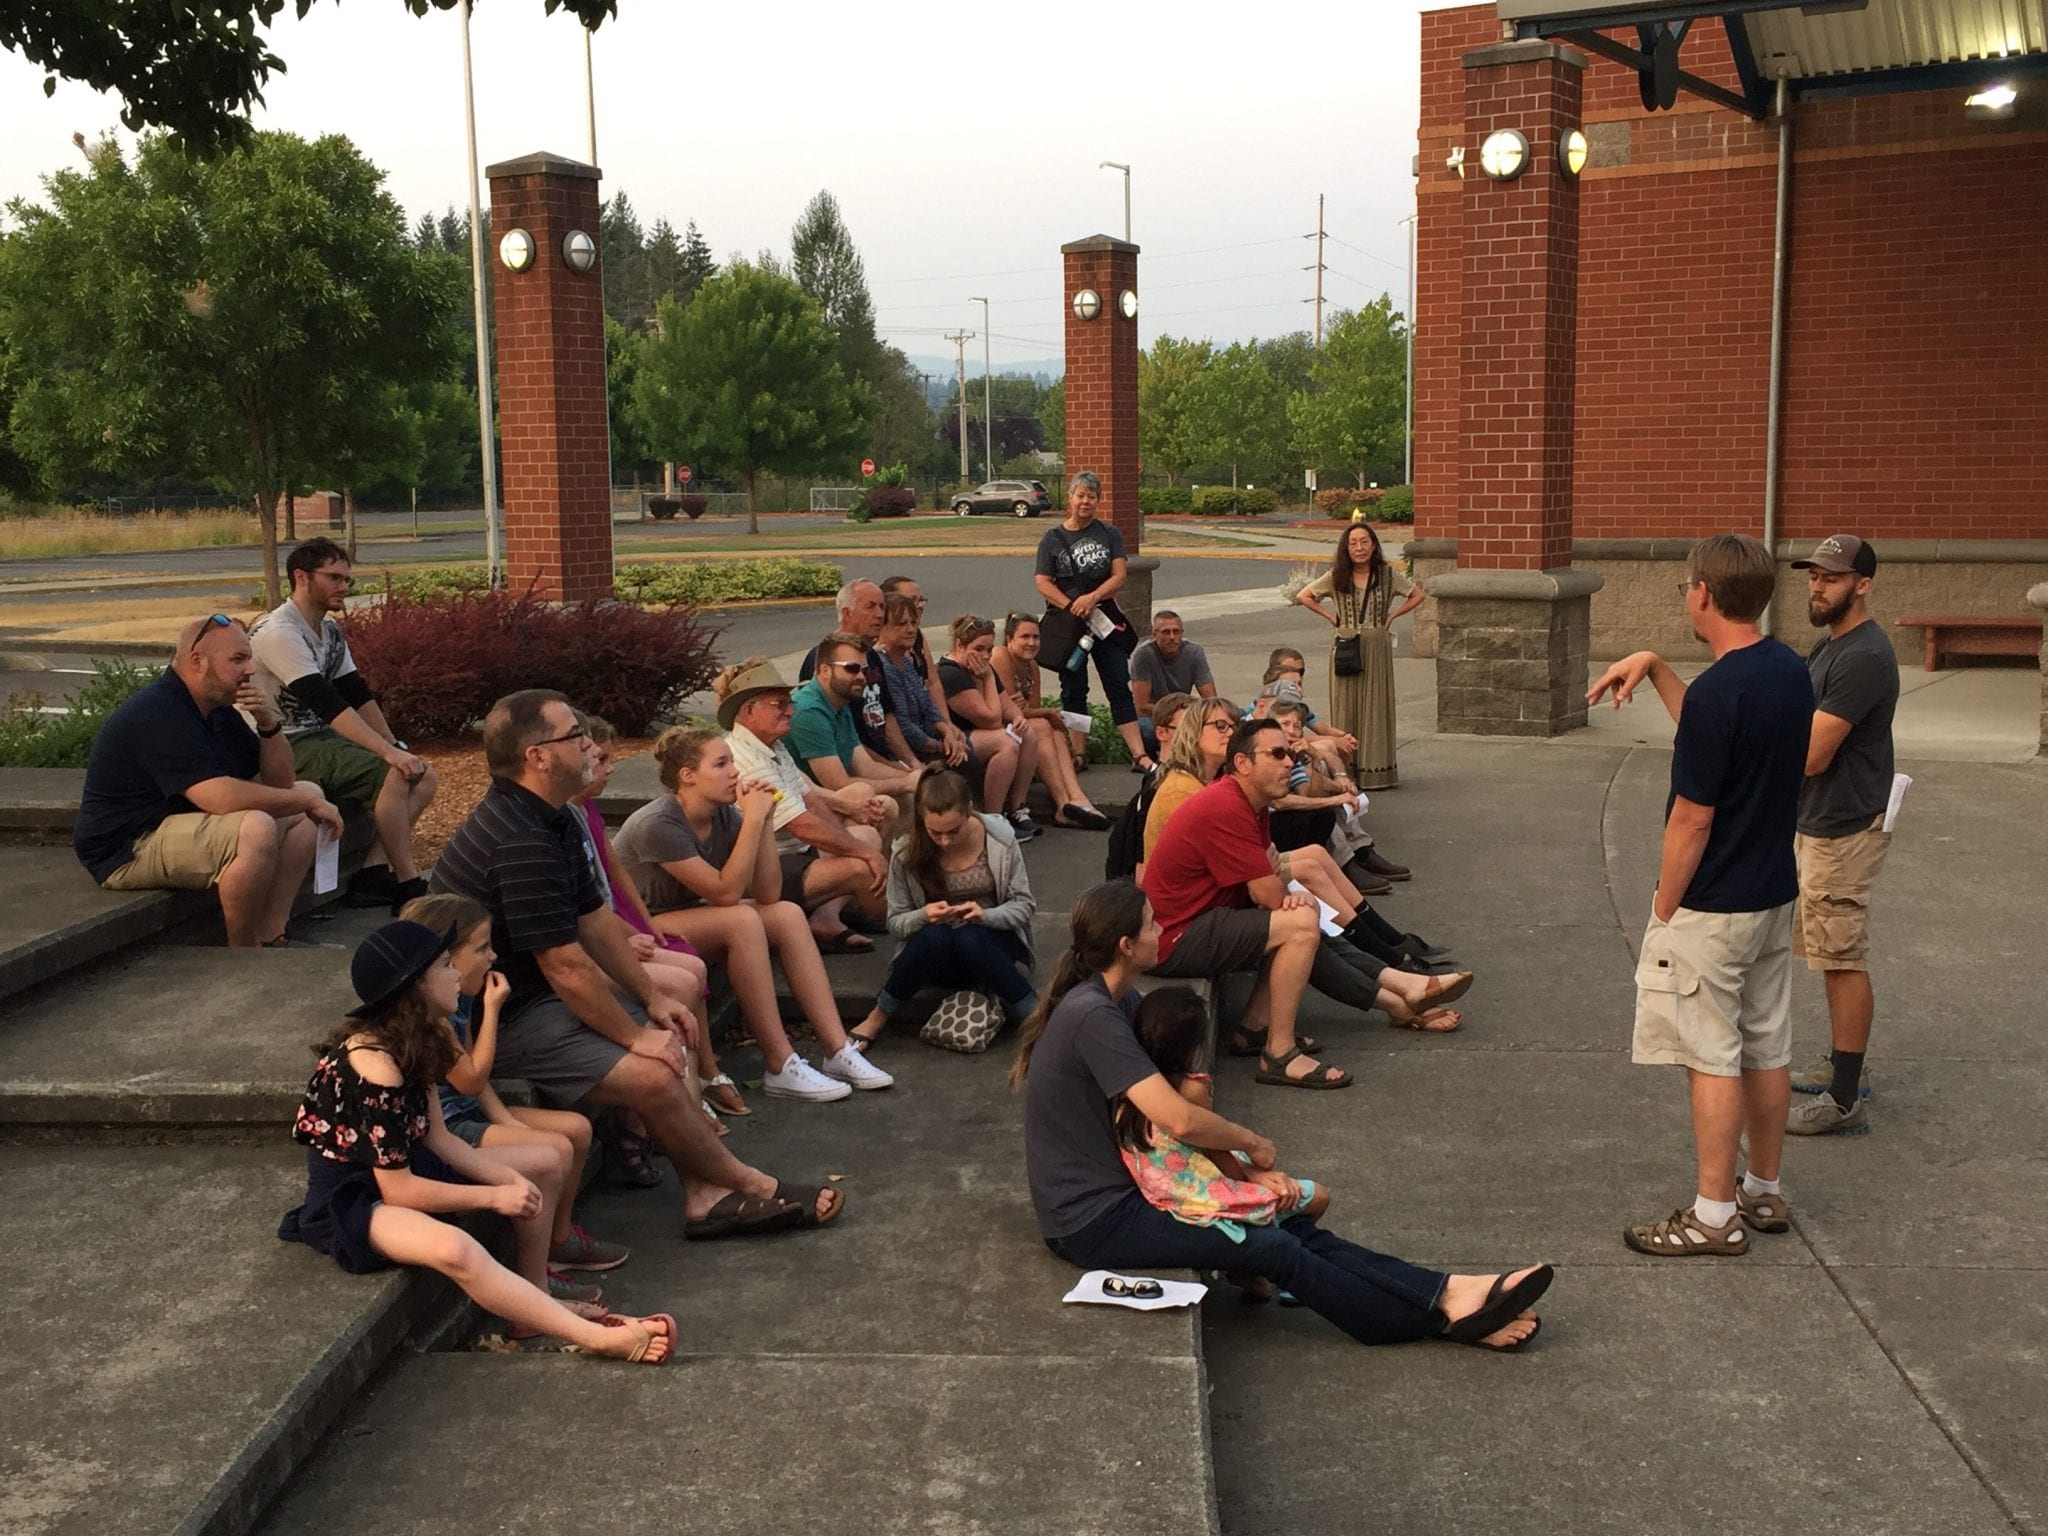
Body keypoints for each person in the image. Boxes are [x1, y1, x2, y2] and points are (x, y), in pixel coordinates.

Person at [1016, 881, 1550, 1351]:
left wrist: (1248, 1174)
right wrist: (1253, 1145)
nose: (1161, 929)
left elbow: (1179, 1118)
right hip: (1092, 1221)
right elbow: (1179, 1119)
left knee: (1287, 1224)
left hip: (1134, 1192)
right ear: (1125, 945)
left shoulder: (1116, 1001)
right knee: (1272, 1248)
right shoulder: (1093, 1016)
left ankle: (1449, 1289)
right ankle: (1433, 1319)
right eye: (1152, 924)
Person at [431, 689, 845, 1240]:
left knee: (670, 1019)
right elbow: (564, 966)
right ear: (538, 757)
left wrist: (651, 998)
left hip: (534, 996)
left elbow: (595, 921)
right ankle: (749, 1183)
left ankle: (705, 1195)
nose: (589, 745)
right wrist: (633, 1036)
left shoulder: (552, 816)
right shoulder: (519, 838)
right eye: (575, 736)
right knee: (654, 1066)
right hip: (494, 1017)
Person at [277, 918, 676, 1364]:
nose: (455, 974)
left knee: (543, 1165)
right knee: (456, 1248)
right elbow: (399, 1190)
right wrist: (492, 1197)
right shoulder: (376, 1069)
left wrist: (507, 1179)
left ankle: (535, 1299)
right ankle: (597, 1338)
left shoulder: (420, 1039)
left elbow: (440, 1138)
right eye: (445, 966)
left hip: (410, 1164)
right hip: (357, 1196)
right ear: (416, 987)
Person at [1587, 533, 1814, 1257]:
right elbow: (1721, 734)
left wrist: (1663, 908)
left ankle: (1714, 1216)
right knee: (1766, 1044)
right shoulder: (1788, 669)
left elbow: (1692, 817)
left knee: (1711, 1055)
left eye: (1687, 585)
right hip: (1772, 891)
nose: (1686, 596)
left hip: (1713, 904)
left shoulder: (1721, 693)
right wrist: (1657, 668)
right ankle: (1763, 1190)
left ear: (1705, 595)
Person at [1145, 715, 1470, 1081]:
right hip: (1172, 938)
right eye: (1277, 754)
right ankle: (1280, 1053)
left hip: (1205, 920)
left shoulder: (1251, 803)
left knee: (1303, 919)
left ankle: (1262, 1027)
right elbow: (1268, 893)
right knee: (1300, 923)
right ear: (1243, 763)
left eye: (1290, 754)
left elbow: (1269, 879)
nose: (1289, 762)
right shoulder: (1225, 805)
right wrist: (1280, 889)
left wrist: (1277, 886)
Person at [611, 726, 895, 1099]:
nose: (735, 772)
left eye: (732, 762)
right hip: (639, 927)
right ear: (688, 776)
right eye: (721, 764)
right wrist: (755, 820)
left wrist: (761, 822)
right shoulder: (659, 824)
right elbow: (725, 893)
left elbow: (767, 892)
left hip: (688, 914)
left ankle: (837, 1048)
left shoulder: (723, 815)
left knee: (786, 914)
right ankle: (780, 1063)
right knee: (742, 920)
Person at [398, 891, 629, 1301]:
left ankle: (559, 1239)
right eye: (481, 948)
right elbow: (471, 1078)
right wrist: (492, 1010)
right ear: (445, 958)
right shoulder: (433, 1018)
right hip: (450, 1129)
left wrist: (504, 1118)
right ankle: (533, 1276)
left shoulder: (459, 998)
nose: (493, 957)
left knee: (576, 1129)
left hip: (470, 1114)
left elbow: (478, 1083)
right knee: (554, 1152)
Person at [74, 614, 342, 947]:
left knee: (306, 795)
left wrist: (267, 723)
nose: (250, 670)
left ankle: (272, 933)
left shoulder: (216, 709)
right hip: (128, 848)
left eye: (248, 659)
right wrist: (308, 802)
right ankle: (244, 952)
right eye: (237, 660)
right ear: (197, 661)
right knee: (257, 828)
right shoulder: (159, 713)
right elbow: (219, 798)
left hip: (173, 823)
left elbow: (281, 783)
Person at [564, 717, 741, 1135]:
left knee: (691, 965)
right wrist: (626, 937)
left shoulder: (586, 810)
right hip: (595, 938)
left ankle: (703, 1076)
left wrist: (643, 924)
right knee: (685, 976)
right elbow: (580, 909)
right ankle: (690, 1100)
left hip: (620, 920)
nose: (608, 768)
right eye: (599, 759)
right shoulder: (570, 819)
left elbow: (615, 872)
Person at [248, 537, 438, 910]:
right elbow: (327, 703)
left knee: (424, 777)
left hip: (319, 737)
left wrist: (396, 747)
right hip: (280, 743)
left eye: (347, 579)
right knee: (394, 774)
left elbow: (356, 694)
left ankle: (372, 872)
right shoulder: (279, 632)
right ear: (301, 577)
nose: (344, 587)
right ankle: (408, 883)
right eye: (334, 577)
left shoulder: (330, 631)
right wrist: (389, 756)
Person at [1784, 535, 1899, 1136]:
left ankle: (1845, 1097)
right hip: (1823, 819)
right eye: (1813, 576)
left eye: (1831, 577)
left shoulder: (1863, 657)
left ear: (1863, 584)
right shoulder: (1830, 645)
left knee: (1842, 959)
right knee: (1829, 954)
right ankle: (1841, 1065)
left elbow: (1811, 754)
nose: (1817, 586)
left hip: (1844, 826)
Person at [1118, 986, 1330, 1252]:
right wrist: (1253, 1178)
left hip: (1161, 1184)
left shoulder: (1128, 1086)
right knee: (1318, 1195)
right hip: (1193, 1193)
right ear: (1193, 1046)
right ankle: (1285, 1259)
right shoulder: (1191, 1089)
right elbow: (1215, 1149)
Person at [845, 769, 1039, 1051]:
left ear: (969, 810)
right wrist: (924, 915)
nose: (945, 841)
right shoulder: (906, 851)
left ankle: (1036, 1016)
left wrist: (986, 915)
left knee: (971, 937)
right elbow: (895, 923)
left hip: (991, 944)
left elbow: (1024, 904)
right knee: (937, 936)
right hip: (936, 953)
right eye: (935, 833)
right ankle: (878, 1015)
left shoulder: (1000, 839)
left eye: (954, 831)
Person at [718, 658, 894, 954]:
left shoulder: (772, 745)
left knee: (866, 836)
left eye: (789, 702)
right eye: (780, 704)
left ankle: (827, 917)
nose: (790, 710)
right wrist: (864, 854)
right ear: (749, 710)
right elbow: (801, 825)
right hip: (764, 869)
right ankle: (903, 923)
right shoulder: (745, 759)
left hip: (794, 854)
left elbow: (811, 802)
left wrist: (854, 844)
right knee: (862, 866)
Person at [1033, 470, 1152, 771]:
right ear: (1070, 498)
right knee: (1073, 688)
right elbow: (1043, 582)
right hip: (1069, 625)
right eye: (1080, 495)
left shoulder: (1109, 534)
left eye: (1091, 496)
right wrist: (1071, 605)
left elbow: (1119, 576)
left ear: (1099, 500)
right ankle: (1078, 753)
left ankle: (1138, 754)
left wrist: (1093, 598)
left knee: (1118, 682)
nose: (1085, 501)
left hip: (1104, 620)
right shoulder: (1052, 539)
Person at [1293, 523, 1424, 788]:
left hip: (1376, 646)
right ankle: (1346, 770)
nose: (1359, 548)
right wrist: (1330, 616)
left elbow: (1417, 595)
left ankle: (1376, 770)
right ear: (1346, 548)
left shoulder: (1386, 575)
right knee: (1346, 703)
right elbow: (1304, 595)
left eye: (1364, 542)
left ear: (1373, 545)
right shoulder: (1337, 575)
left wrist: (1392, 616)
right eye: (1353, 543)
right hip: (1346, 643)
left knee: (1375, 704)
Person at [798, 578, 963, 768]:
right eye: (870, 607)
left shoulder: (872, 657)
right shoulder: (823, 658)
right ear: (846, 613)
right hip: (855, 765)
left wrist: (912, 763)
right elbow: (842, 737)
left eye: (882, 607)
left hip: (887, 758)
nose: (879, 614)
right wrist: (900, 769)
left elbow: (887, 717)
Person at [981, 611, 1109, 827]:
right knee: (1041, 725)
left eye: (1036, 637)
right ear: (1010, 639)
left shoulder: (1032, 666)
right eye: (1025, 637)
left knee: (1055, 731)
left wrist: (1041, 712)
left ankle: (1077, 798)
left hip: (1019, 723)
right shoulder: (1000, 656)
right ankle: (1063, 803)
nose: (1031, 643)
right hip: (993, 725)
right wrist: (1046, 712)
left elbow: (1032, 708)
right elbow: (1011, 711)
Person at [930, 613, 1045, 838]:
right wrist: (988, 679)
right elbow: (991, 719)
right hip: (956, 737)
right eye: (978, 649)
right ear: (959, 645)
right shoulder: (951, 673)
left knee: (1028, 734)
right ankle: (994, 818)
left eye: (989, 650)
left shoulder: (983, 668)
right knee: (1006, 744)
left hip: (980, 733)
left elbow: (1006, 706)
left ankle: (1017, 808)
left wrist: (1017, 718)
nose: (985, 656)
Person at [789, 631, 922, 812]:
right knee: (886, 804)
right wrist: (905, 783)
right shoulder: (809, 711)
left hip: (825, 799)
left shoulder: (840, 701)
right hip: (803, 805)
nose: (861, 676)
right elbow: (838, 784)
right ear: (824, 670)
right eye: (851, 668)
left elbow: (866, 767)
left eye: (864, 670)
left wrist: (915, 778)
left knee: (906, 795)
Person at [1128, 610, 1217, 758]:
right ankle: (1147, 762)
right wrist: (1177, 715)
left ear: (1182, 633)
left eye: (1176, 632)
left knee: (1232, 716)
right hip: (1153, 715)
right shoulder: (1144, 655)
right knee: (1144, 730)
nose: (1171, 637)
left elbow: (1211, 699)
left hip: (1184, 713)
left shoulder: (1194, 652)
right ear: (1154, 634)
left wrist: (1194, 716)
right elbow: (1141, 707)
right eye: (1165, 632)